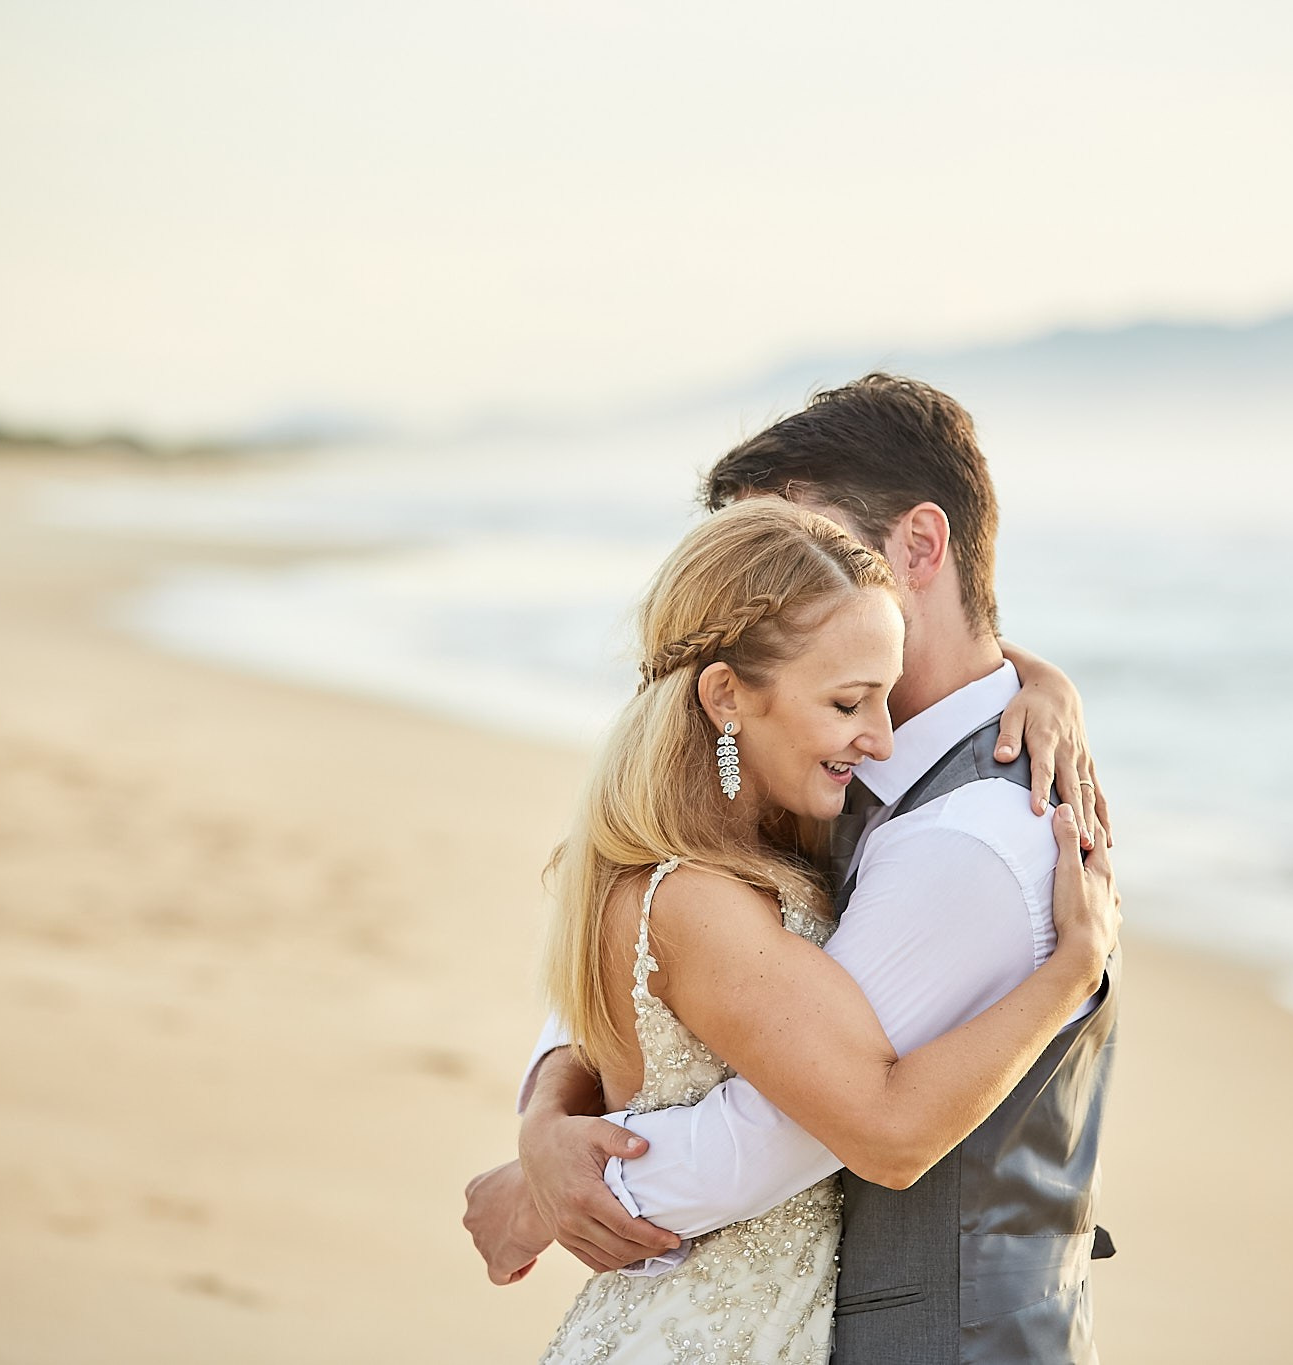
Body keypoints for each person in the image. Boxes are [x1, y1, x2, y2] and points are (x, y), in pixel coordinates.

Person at [468, 375, 1123, 1364]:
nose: (768, 590)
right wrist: (547, 1113)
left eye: (812, 552)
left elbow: (784, 1131)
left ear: (914, 548)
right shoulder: (808, 777)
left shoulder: (967, 838)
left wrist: (542, 1188)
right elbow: (650, 978)